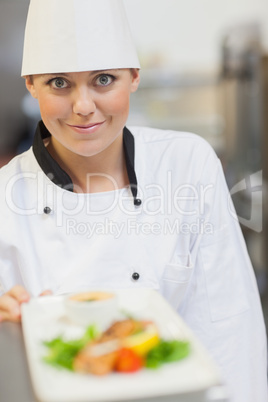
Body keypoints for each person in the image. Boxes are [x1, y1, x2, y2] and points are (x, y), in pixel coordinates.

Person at [0, 0, 267, 401]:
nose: (83, 106)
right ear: (31, 84)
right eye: (59, 82)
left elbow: (229, 328)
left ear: (135, 77)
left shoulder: (188, 164)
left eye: (104, 79)